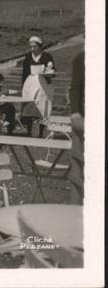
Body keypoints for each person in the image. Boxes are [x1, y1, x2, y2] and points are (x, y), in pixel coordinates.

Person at [20, 36, 56, 136]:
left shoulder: (47, 56)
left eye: (34, 46)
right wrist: (23, 86)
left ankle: (41, 133)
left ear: (40, 46)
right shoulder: (28, 57)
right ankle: (29, 132)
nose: (32, 49)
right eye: (31, 47)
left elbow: (52, 71)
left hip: (43, 84)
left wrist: (48, 73)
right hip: (30, 84)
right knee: (29, 106)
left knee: (42, 107)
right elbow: (25, 73)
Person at [68, 51, 84, 204]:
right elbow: (76, 87)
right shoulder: (81, 58)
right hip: (86, 118)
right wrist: (75, 111)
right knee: (80, 171)